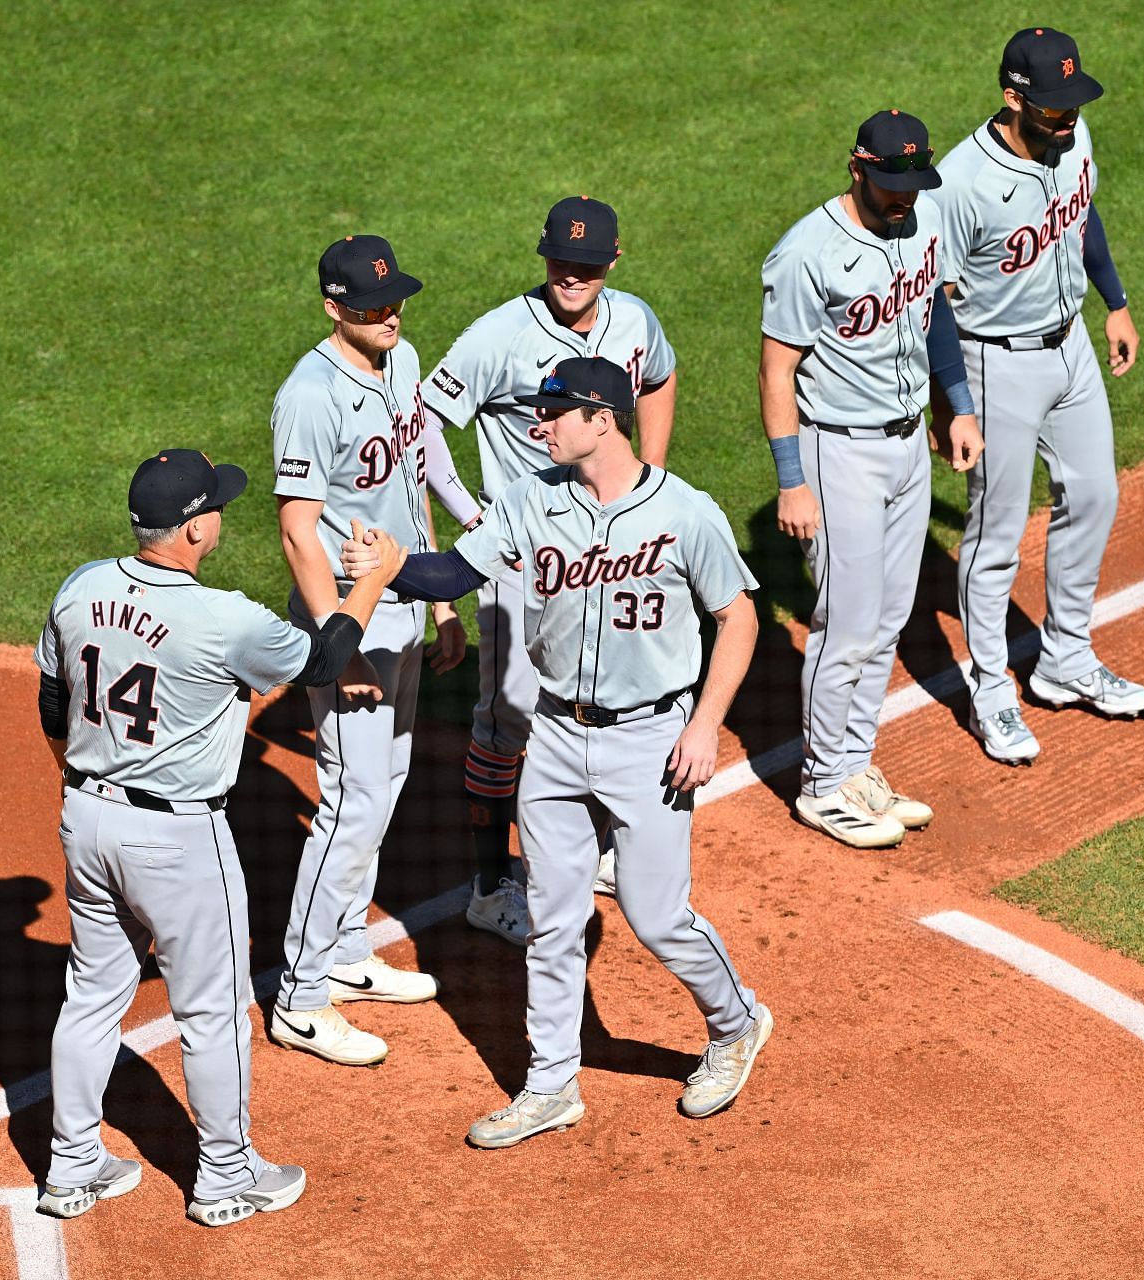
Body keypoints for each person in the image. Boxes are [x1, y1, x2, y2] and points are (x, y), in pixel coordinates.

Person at [344, 357, 771, 1147]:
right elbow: (450, 575)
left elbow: (737, 618)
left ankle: (736, 1021)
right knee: (551, 919)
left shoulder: (685, 513)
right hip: (555, 734)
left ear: (602, 419)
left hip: (651, 737)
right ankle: (550, 1085)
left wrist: (705, 724)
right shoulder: (530, 501)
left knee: (656, 913)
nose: (538, 425)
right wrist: (394, 566)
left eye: (554, 412)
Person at [32, 449, 408, 1227]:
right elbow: (326, 658)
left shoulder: (81, 586)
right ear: (197, 527)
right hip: (177, 839)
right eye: (219, 508)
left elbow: (50, 701)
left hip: (86, 815)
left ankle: (72, 1166)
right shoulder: (224, 617)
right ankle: (227, 1178)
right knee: (213, 1012)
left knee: (92, 994)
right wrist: (374, 575)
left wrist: (89, 778)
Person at [418, 195, 678, 941]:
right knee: (507, 719)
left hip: (615, 553)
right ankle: (491, 881)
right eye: (562, 260)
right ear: (543, 255)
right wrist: (472, 513)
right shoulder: (498, 336)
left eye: (588, 263)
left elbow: (658, 378)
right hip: (527, 560)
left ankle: (593, 847)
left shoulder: (635, 320)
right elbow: (425, 423)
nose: (573, 274)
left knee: (599, 696)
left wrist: (648, 474)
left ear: (613, 261)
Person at [759, 109, 985, 849]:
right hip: (838, 454)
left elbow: (935, 316)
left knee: (889, 615)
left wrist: (958, 406)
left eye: (912, 184)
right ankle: (823, 786)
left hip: (908, 444)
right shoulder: (807, 252)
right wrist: (792, 481)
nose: (902, 198)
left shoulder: (919, 221)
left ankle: (853, 763)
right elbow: (776, 368)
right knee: (847, 622)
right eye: (889, 183)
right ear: (856, 166)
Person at [266, 234, 465, 1068]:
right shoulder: (309, 395)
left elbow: (416, 471)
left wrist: (444, 594)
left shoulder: (403, 354)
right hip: (350, 619)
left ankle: (346, 946)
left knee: (382, 787)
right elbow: (295, 529)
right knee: (350, 800)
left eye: (394, 301)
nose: (388, 316)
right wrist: (334, 644)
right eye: (369, 307)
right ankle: (300, 997)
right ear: (331, 308)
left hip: (404, 602)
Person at [935, 28, 1144, 766]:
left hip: (1071, 350)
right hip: (996, 365)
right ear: (1012, 97)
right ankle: (992, 694)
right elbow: (933, 299)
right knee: (995, 534)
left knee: (1094, 495)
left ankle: (1065, 659)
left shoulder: (1072, 135)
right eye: (1053, 108)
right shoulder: (962, 182)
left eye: (1072, 104)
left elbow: (1080, 211)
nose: (1066, 118)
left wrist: (1115, 301)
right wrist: (953, 401)